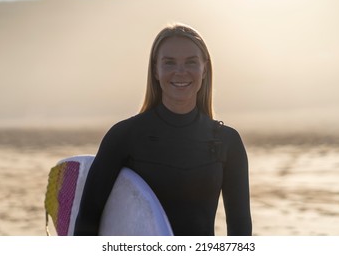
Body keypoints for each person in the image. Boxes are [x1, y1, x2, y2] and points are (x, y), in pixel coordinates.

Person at [74, 23, 252, 236]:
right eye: (169, 63)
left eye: (191, 62)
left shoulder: (227, 141)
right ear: (156, 70)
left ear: (204, 69)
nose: (180, 71)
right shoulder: (124, 136)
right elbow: (87, 221)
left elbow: (240, 229)